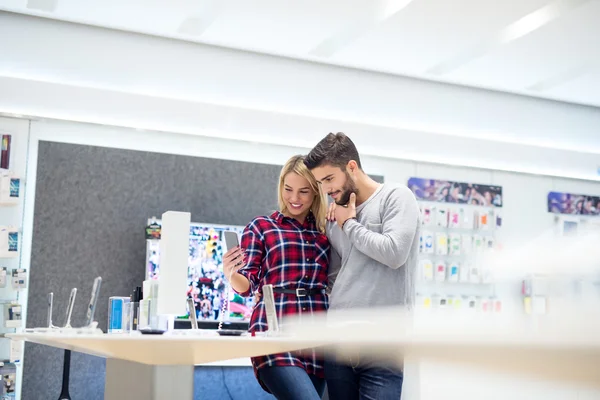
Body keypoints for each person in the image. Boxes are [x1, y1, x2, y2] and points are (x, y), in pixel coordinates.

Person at [304, 132, 420, 400]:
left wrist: (349, 224)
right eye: (321, 182)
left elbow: (394, 253)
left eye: (330, 179)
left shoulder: (396, 197)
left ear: (352, 167)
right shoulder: (336, 215)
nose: (326, 190)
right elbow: (334, 276)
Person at [223, 155, 330, 400]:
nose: (294, 198)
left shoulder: (326, 232)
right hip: (274, 332)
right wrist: (231, 274)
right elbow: (247, 284)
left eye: (303, 191)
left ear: (315, 192)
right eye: (288, 189)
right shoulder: (262, 227)